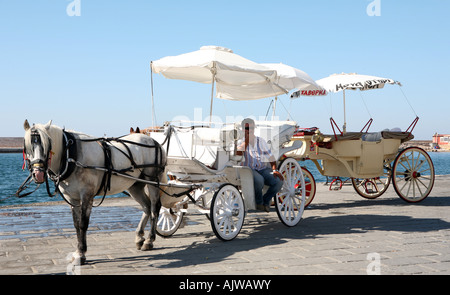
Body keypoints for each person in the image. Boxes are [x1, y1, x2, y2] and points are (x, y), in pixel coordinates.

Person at [237, 118, 284, 212]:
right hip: (248, 170)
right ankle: (258, 202)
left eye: (251, 128)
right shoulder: (239, 142)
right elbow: (238, 154)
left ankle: (266, 201)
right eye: (247, 128)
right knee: (259, 180)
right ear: (242, 129)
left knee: (279, 181)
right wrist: (246, 141)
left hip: (262, 169)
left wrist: (275, 170)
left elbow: (271, 158)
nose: (249, 130)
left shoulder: (260, 141)